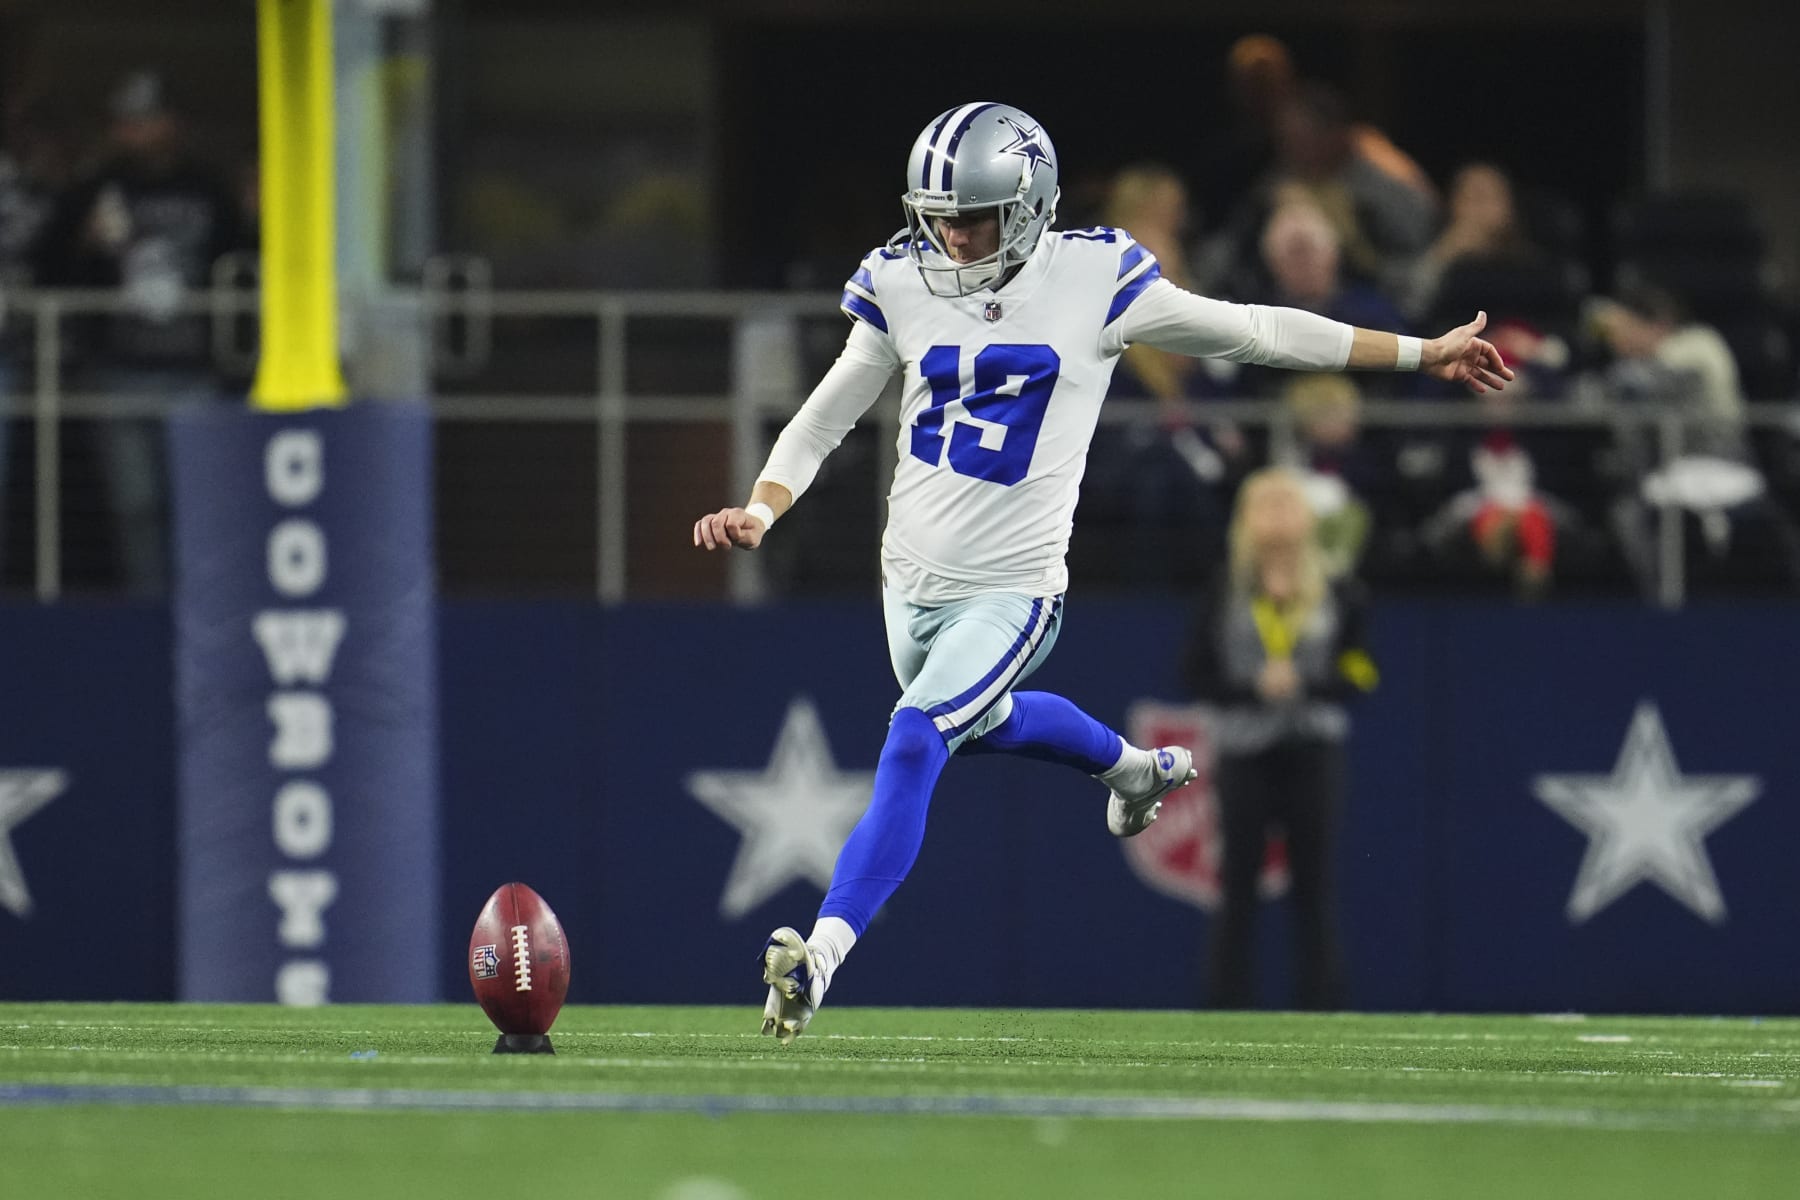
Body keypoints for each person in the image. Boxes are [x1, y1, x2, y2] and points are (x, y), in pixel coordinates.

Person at [691, 102, 1510, 1043]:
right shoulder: (901, 278)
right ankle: (1132, 771)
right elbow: (826, 415)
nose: (954, 238)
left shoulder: (1095, 279)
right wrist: (762, 507)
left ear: (1030, 205)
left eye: (976, 218)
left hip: (1014, 589)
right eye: (940, 217)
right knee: (981, 722)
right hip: (906, 581)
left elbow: (1255, 330)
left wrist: (1420, 351)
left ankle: (821, 957)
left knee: (917, 737)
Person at [33, 70, 250, 592]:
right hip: (118, 370)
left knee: (197, 500)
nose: (131, 132)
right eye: (124, 123)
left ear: (172, 123)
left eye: (143, 120)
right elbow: (49, 268)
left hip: (193, 370)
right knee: (136, 505)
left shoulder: (207, 187)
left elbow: (244, 263)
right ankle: (148, 605)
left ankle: (197, 602)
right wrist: (84, 244)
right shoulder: (96, 188)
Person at [1182, 468, 1377, 1009]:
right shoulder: (1225, 588)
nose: (1276, 516)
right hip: (1243, 750)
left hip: (1313, 747)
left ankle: (1323, 1005)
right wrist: (1251, 689)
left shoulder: (1340, 589)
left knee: (1314, 883)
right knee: (1237, 884)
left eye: (1286, 504)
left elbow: (1362, 671)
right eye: (1264, 505)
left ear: (1307, 517)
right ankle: (1225, 1006)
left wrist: (1312, 684)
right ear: (1245, 519)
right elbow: (1194, 671)